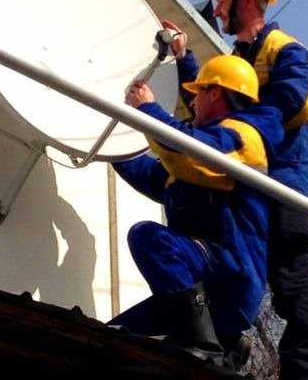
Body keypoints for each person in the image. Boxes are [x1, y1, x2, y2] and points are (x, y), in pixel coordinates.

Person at [164, 0, 308, 379]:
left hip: (283, 186)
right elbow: (216, 102)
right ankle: (224, 344)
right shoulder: (239, 58)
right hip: (249, 181)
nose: (217, 9)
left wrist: (230, 137)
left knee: (290, 281)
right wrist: (185, 60)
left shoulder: (289, 53)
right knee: (234, 266)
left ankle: (301, 371)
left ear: (249, 0)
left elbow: (285, 109)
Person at [109, 55, 284, 368]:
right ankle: (223, 343)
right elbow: (156, 176)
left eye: (197, 93)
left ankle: (203, 343)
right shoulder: (201, 158)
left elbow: (189, 150)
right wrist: (109, 147)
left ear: (215, 94)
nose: (192, 102)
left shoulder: (243, 137)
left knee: (148, 236)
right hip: (205, 289)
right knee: (116, 337)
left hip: (228, 275)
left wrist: (148, 110)